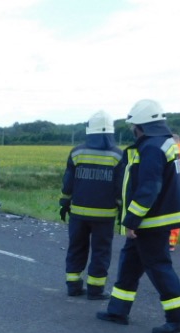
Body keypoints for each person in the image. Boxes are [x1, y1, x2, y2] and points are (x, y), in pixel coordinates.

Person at [96, 99, 180, 333]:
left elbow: (149, 188)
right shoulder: (164, 143)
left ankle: (179, 318)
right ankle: (118, 310)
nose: (132, 131)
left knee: (159, 267)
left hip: (151, 220)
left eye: (133, 126)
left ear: (140, 126)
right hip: (157, 217)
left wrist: (132, 220)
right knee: (130, 264)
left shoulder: (150, 147)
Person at [59, 110, 123, 300]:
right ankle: (95, 290)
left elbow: (68, 182)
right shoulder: (118, 155)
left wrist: (64, 201)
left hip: (78, 213)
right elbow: (121, 188)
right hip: (104, 216)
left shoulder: (77, 152)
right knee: (101, 251)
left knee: (76, 248)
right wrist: (123, 210)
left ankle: (73, 285)